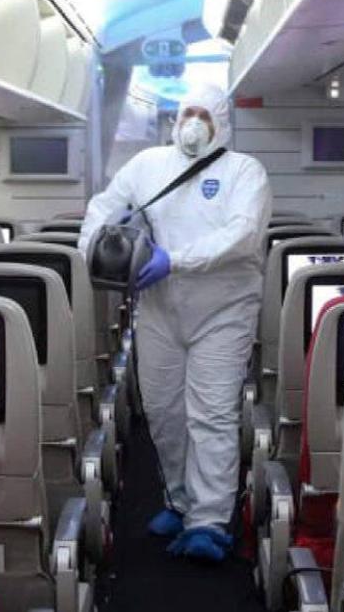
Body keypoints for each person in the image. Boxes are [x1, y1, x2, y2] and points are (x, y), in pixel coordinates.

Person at [78, 87, 270, 561]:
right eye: (187, 113)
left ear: (221, 123)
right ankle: (180, 501)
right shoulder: (148, 165)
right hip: (161, 308)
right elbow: (105, 205)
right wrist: (92, 248)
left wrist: (175, 260)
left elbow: (242, 236)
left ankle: (209, 521)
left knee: (211, 414)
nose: (193, 123)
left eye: (204, 115)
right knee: (164, 412)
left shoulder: (244, 172)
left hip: (224, 311)